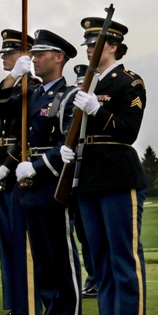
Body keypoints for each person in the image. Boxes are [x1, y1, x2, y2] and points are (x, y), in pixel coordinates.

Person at [0, 29, 83, 315]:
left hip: (53, 181)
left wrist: (38, 166)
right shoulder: (32, 93)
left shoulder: (69, 96)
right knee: (41, 255)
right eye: (34, 54)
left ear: (59, 58)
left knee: (59, 252)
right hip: (28, 183)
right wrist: (13, 77)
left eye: (42, 54)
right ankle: (50, 311)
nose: (35, 59)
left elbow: (67, 143)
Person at [64, 17, 148, 315]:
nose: (86, 49)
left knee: (122, 254)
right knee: (99, 257)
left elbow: (128, 130)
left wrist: (95, 110)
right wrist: (68, 149)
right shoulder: (88, 84)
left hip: (117, 174)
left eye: (93, 43)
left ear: (111, 47)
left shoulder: (129, 81)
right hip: (89, 178)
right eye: (86, 43)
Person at [0, 30, 41, 315]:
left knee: (25, 245)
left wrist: (8, 165)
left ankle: (31, 305)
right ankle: (17, 305)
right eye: (5, 53)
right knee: (8, 244)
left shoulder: (33, 88)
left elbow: (28, 137)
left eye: (10, 53)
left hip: (21, 171)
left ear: (26, 55)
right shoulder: (13, 86)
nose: (4, 57)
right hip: (5, 175)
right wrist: (10, 78)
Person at [72, 63, 98, 300]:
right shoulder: (72, 109)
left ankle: (98, 278)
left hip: (95, 174)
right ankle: (92, 277)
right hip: (77, 178)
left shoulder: (96, 107)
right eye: (79, 84)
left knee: (96, 235)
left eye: (85, 84)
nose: (81, 88)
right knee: (83, 234)